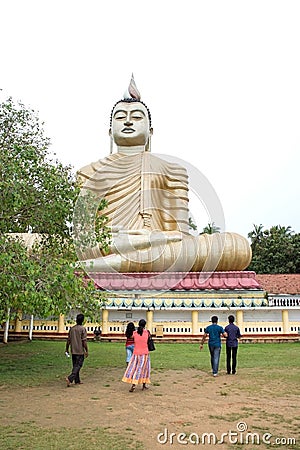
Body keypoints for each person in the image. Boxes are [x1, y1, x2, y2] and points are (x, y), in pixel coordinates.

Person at [76, 75, 252, 273]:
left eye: (136, 117)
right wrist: (113, 241)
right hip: (105, 246)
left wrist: (150, 239)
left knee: (236, 247)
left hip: (160, 244)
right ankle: (111, 260)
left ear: (150, 131)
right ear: (110, 132)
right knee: (36, 244)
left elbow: (180, 236)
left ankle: (100, 266)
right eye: (120, 117)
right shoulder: (88, 173)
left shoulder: (173, 171)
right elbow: (82, 237)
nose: (127, 122)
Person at [122, 318, 150, 392]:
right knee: (145, 369)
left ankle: (134, 385)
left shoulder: (134, 333)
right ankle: (144, 385)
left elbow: (130, 337)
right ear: (145, 325)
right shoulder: (147, 332)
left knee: (136, 369)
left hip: (136, 353)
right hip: (145, 353)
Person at [65, 313, 88, 386]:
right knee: (78, 365)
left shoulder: (72, 329)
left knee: (75, 365)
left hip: (73, 350)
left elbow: (68, 340)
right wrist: (86, 350)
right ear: (83, 321)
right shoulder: (82, 329)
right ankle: (70, 378)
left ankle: (77, 380)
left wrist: (67, 349)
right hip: (80, 351)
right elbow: (84, 341)